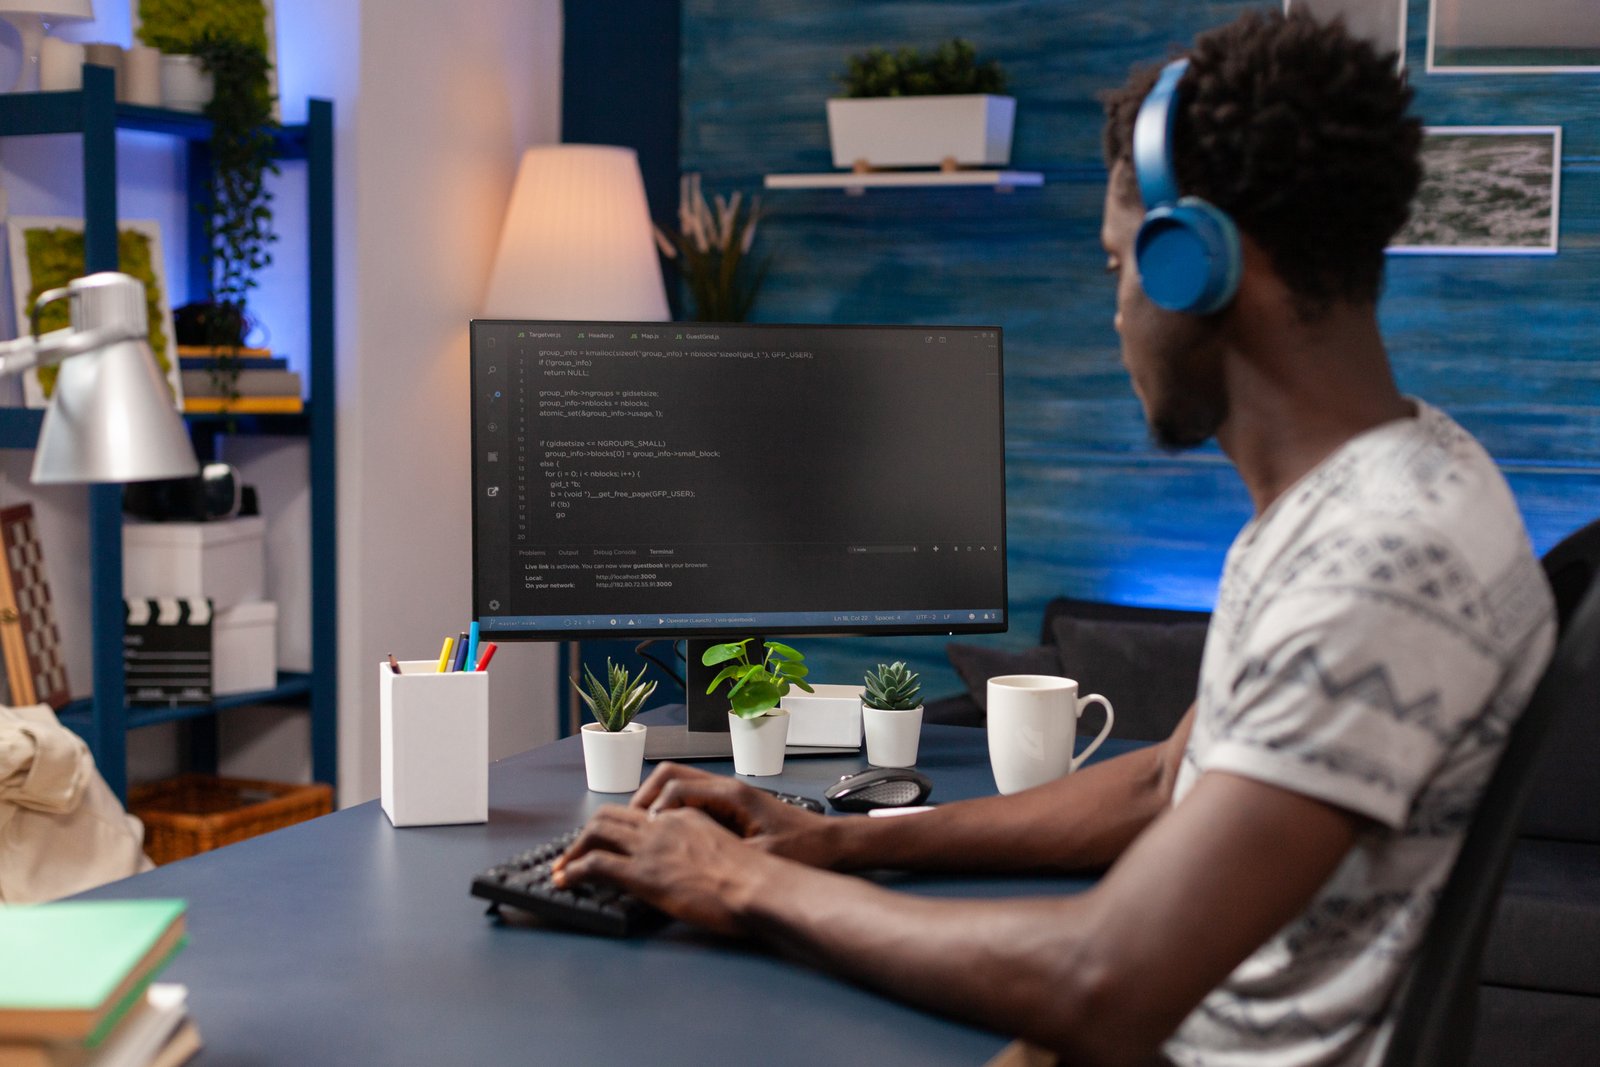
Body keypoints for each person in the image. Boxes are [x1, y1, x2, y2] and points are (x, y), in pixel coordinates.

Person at [552, 10, 1557, 1065]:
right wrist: (831, 838)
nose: (1117, 310)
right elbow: (1157, 781)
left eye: (1117, 264)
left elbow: (1102, 977)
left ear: (1193, 267)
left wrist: (738, 879)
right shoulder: (1376, 488)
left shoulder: (1378, 565)